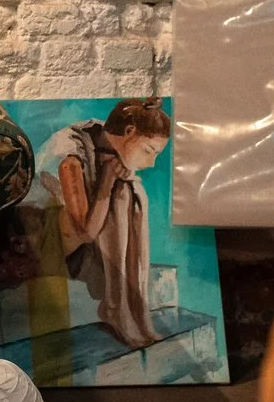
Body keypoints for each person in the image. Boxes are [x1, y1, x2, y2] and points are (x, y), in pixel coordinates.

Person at [29, 98, 171, 352]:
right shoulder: (69, 155)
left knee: (130, 189)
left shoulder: (106, 136)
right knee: (120, 192)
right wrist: (107, 182)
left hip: (74, 243)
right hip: (38, 242)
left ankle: (135, 309)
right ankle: (115, 306)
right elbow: (86, 232)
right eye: (149, 151)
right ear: (129, 133)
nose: (151, 163)